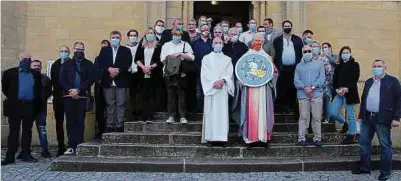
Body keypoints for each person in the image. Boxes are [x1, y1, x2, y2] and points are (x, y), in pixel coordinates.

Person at [352, 59, 401, 181]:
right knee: (363, 143)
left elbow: (399, 100)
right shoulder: (369, 81)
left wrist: (396, 118)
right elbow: (364, 100)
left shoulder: (393, 81)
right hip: (368, 117)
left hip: (383, 118)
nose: (376, 68)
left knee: (385, 145)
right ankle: (364, 167)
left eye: (379, 66)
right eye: (374, 66)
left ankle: (385, 171)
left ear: (385, 68)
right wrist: (360, 116)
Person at [232, 33, 278, 147]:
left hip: (264, 90)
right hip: (250, 91)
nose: (258, 43)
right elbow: (240, 72)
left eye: (260, 41)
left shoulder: (266, 57)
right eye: (256, 40)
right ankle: (250, 139)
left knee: (263, 112)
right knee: (251, 112)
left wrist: (272, 77)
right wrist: (241, 82)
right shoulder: (246, 57)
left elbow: (275, 71)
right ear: (252, 42)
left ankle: (263, 138)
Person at [1, 52, 43, 165]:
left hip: (29, 106)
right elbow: (5, 88)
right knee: (13, 131)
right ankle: (10, 156)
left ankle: (25, 153)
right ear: (19, 59)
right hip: (15, 106)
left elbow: (38, 90)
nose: (27, 60)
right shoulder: (9, 73)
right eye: (24, 58)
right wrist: (14, 98)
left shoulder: (35, 74)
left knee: (27, 130)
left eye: (29, 59)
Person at [59, 41, 95, 155]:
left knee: (80, 121)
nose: (79, 51)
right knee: (70, 121)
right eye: (77, 49)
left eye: (81, 49)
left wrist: (79, 90)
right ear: (73, 49)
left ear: (83, 50)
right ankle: (71, 146)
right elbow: (62, 79)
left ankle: (79, 144)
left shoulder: (89, 64)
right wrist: (71, 90)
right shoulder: (67, 63)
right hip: (68, 96)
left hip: (82, 96)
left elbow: (91, 79)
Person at [201, 37, 234, 147]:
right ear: (212, 45)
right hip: (211, 89)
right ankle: (211, 138)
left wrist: (222, 80)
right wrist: (214, 82)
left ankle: (222, 138)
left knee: (222, 114)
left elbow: (230, 73)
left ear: (223, 44)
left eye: (220, 42)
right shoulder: (206, 58)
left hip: (222, 90)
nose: (218, 44)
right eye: (216, 42)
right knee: (211, 113)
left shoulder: (227, 59)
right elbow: (204, 73)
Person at [97, 30, 133, 132]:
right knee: (109, 104)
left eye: (117, 37)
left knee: (120, 103)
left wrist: (118, 71)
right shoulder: (105, 50)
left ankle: (119, 124)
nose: (115, 39)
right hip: (108, 80)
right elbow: (100, 62)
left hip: (120, 80)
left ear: (120, 38)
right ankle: (110, 124)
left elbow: (128, 63)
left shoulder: (126, 50)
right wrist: (109, 69)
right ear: (110, 38)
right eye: (113, 37)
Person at [160, 29, 195, 124]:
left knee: (182, 95)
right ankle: (171, 116)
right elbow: (162, 58)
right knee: (171, 95)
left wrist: (181, 54)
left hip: (181, 73)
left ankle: (183, 116)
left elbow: (192, 57)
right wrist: (172, 56)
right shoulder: (166, 45)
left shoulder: (185, 44)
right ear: (172, 35)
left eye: (179, 35)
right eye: (175, 35)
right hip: (169, 73)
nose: (177, 37)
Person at [294, 45, 325, 147]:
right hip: (303, 95)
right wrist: (305, 88)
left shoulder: (320, 64)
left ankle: (317, 138)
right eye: (305, 51)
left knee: (316, 117)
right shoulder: (299, 66)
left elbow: (321, 79)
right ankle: (301, 138)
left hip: (316, 94)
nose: (307, 53)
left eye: (309, 51)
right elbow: (296, 80)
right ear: (302, 53)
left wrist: (312, 87)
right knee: (303, 117)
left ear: (312, 52)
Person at [329, 46, 360, 144]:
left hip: (349, 93)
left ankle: (352, 134)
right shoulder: (339, 67)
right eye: (343, 53)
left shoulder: (355, 65)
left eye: (347, 53)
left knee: (351, 114)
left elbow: (355, 78)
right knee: (332, 112)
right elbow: (335, 81)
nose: (345, 54)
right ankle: (344, 122)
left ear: (350, 54)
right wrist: (337, 89)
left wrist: (347, 88)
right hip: (339, 93)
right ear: (340, 55)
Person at [273, 20, 303, 114]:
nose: (287, 27)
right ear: (283, 27)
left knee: (293, 88)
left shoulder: (297, 39)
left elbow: (301, 52)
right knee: (282, 88)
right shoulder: (277, 40)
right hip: (282, 68)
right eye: (285, 26)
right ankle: (284, 107)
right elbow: (275, 54)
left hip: (294, 68)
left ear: (291, 27)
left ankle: (291, 107)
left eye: (288, 26)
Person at [135, 27, 163, 122]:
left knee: (152, 95)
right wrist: (143, 67)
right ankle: (143, 115)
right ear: (145, 35)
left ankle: (150, 116)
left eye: (151, 33)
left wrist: (150, 67)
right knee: (143, 94)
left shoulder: (159, 46)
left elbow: (160, 60)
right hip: (142, 73)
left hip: (154, 73)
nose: (150, 35)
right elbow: (137, 59)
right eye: (148, 33)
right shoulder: (141, 46)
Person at [51, 45, 71, 156]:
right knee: (59, 123)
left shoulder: (72, 63)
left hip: (70, 97)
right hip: (58, 98)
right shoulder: (55, 65)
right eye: (62, 51)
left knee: (71, 122)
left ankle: (72, 145)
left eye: (66, 51)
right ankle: (61, 146)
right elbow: (54, 80)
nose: (64, 53)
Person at [31, 60, 52, 158]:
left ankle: (45, 150)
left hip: (41, 109)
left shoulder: (46, 79)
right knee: (27, 130)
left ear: (41, 67)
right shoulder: (27, 78)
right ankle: (25, 150)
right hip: (28, 108)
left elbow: (49, 92)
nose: (36, 67)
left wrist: (42, 98)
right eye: (34, 65)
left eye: (38, 66)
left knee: (42, 129)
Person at [191, 24, 213, 113]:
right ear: (200, 30)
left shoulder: (212, 43)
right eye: (203, 29)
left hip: (210, 71)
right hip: (198, 70)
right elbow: (192, 57)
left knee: (208, 89)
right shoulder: (195, 43)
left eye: (207, 29)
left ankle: (208, 108)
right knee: (198, 90)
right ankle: (199, 109)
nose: (205, 31)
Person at [93, 40, 110, 140]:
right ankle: (100, 130)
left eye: (106, 47)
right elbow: (95, 71)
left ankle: (109, 128)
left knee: (110, 108)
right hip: (99, 86)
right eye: (102, 47)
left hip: (108, 85)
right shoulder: (97, 59)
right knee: (99, 109)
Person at [126, 29, 142, 120]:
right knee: (132, 94)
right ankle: (133, 112)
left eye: (135, 35)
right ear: (128, 37)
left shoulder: (140, 47)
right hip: (129, 73)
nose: (133, 37)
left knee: (139, 93)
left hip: (139, 72)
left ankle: (139, 111)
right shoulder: (125, 48)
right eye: (131, 35)